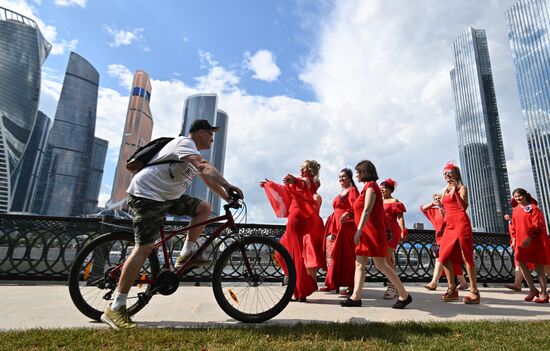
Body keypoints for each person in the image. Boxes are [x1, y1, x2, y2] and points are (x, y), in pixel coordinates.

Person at [101, 119, 243, 329]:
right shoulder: (184, 144)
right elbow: (203, 167)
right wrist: (229, 185)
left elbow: (206, 178)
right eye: (211, 133)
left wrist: (226, 197)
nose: (213, 138)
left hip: (165, 199)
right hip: (146, 196)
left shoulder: (191, 155)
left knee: (203, 208)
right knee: (145, 247)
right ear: (201, 132)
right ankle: (116, 307)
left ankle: (186, 253)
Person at [340, 160, 412, 309]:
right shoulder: (367, 188)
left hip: (371, 232)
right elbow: (360, 210)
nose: (357, 175)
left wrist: (358, 230)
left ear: (365, 172)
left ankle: (404, 295)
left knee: (381, 265)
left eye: (358, 172)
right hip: (366, 232)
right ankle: (356, 297)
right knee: (359, 263)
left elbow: (367, 210)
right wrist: (349, 215)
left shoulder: (372, 187)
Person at [261, 160, 324, 301]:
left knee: (294, 254)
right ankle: (303, 285)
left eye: (305, 168)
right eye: (301, 167)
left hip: (298, 218)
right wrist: (269, 184)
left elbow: (303, 184)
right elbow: (286, 190)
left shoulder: (308, 181)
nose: (301, 170)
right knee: (281, 253)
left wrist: (294, 180)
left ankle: (300, 291)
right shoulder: (301, 181)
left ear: (311, 171)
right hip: (294, 217)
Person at [438, 162, 480, 304]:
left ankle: (474, 291)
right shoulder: (444, 190)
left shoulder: (462, 188)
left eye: (449, 173)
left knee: (466, 255)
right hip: (449, 225)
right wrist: (439, 205)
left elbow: (463, 206)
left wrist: (455, 191)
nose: (447, 176)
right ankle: (452, 289)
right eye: (444, 173)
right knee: (444, 256)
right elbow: (445, 208)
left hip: (461, 222)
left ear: (456, 174)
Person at [319, 168, 359, 294]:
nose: (341, 179)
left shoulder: (352, 190)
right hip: (335, 224)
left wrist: (347, 213)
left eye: (343, 176)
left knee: (346, 255)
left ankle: (351, 286)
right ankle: (332, 283)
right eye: (339, 177)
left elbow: (356, 206)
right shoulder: (343, 191)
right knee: (332, 253)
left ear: (350, 178)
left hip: (345, 226)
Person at [421, 194, 468, 291]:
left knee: (441, 259)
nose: (438, 200)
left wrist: (444, 210)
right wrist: (433, 203)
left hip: (451, 236)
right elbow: (422, 208)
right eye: (436, 199)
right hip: (440, 239)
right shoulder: (433, 211)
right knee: (447, 260)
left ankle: (434, 282)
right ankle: (463, 282)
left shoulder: (449, 210)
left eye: (439, 199)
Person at [510, 188, 550, 303]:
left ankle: (543, 292)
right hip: (520, 242)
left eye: (519, 196)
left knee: (538, 267)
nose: (517, 198)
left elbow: (536, 225)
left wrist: (529, 237)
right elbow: (513, 226)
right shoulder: (515, 210)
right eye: (515, 197)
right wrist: (513, 239)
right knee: (522, 264)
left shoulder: (534, 208)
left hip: (533, 241)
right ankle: (532, 289)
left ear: (525, 196)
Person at [379, 178, 408, 299]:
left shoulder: (394, 200)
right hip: (381, 232)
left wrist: (402, 230)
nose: (381, 190)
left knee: (385, 258)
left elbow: (400, 217)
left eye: (383, 188)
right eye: (380, 189)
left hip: (393, 232)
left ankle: (392, 285)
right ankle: (396, 285)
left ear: (390, 189)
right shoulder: (378, 201)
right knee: (389, 259)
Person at [503, 212, 525, 292]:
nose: (506, 217)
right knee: (519, 264)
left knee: (520, 263)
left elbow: (515, 231)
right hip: (517, 244)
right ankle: (517, 284)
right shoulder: (510, 222)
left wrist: (514, 241)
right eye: (505, 216)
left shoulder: (513, 221)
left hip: (519, 243)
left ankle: (518, 284)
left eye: (507, 216)